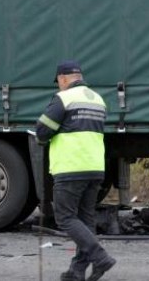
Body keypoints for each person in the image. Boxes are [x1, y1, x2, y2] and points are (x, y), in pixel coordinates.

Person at [35, 60, 116, 281]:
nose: (58, 86)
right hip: (95, 167)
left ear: (62, 78)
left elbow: (42, 130)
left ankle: (100, 257)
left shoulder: (64, 98)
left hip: (71, 167)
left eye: (58, 82)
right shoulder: (98, 99)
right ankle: (76, 271)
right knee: (85, 219)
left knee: (65, 218)